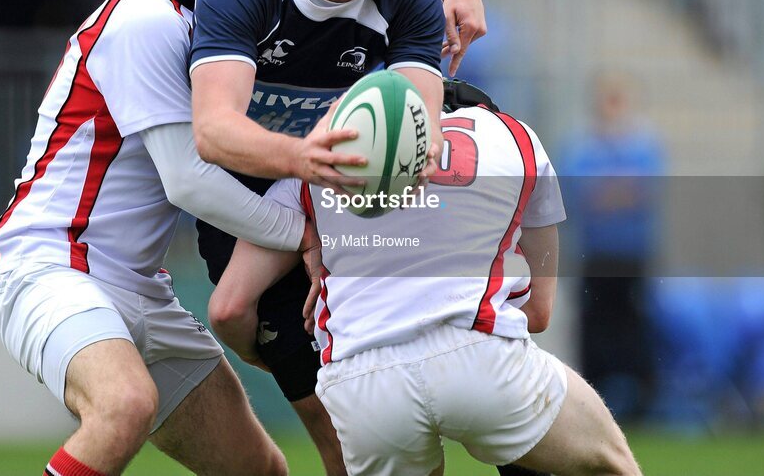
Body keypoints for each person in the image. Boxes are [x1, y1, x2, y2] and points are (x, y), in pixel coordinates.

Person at [0, 0, 486, 476]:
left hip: (140, 288)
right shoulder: (144, 19)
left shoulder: (214, 10)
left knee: (261, 470)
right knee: (123, 406)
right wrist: (304, 232)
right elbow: (190, 178)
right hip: (54, 262)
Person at [190, 0, 488, 474]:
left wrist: (342, 232)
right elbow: (213, 133)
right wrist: (307, 180)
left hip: (347, 204)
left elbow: (417, 139)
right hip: (249, 209)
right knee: (335, 433)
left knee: (395, 420)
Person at [210, 82, 642, 476]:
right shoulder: (515, 137)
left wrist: (280, 361)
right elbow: (540, 312)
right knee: (612, 464)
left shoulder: (319, 156)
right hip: (480, 360)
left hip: (362, 380)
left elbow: (229, 309)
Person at [562, 72, 665, 421]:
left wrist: (607, 192)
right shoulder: (581, 147)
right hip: (596, 255)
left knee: (635, 327)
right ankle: (594, 405)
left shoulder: (643, 146)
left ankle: (641, 404)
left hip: (631, 255)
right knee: (594, 329)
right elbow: (581, 196)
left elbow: (642, 192)